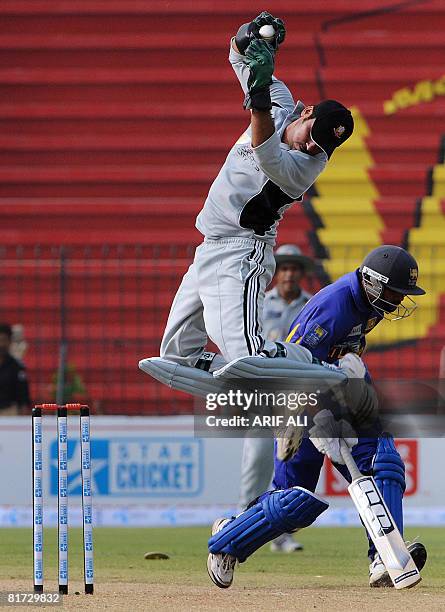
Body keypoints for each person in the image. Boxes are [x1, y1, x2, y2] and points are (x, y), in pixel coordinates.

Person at [146, 11, 353, 378]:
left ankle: (316, 361)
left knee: (246, 352)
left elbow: (265, 150)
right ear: (305, 113)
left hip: (243, 251)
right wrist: (253, 36)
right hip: (209, 244)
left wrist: (258, 92)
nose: (310, 147)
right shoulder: (280, 100)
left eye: (320, 147)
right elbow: (237, 55)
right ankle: (206, 364)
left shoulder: (308, 166)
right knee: (176, 351)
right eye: (311, 134)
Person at [207, 245, 428, 589]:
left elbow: (343, 353)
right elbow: (291, 368)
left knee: (383, 463)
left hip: (345, 395)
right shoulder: (332, 308)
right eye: (395, 293)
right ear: (373, 282)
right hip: (300, 403)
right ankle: (229, 539)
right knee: (295, 501)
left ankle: (385, 557)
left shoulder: (371, 304)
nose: (399, 302)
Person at [238, 244, 313, 552]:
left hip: (296, 394)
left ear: (301, 273)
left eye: (294, 268)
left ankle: (281, 532)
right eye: (283, 268)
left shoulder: (311, 304)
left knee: (288, 460)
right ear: (276, 272)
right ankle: (243, 520)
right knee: (257, 457)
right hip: (262, 391)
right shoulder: (258, 302)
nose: (288, 274)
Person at [0, 323, 31, 415]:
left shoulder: (17, 366)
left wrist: (24, 409)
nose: (1, 344)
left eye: (4, 340)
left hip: (9, 411)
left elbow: (23, 392)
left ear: (10, 342)